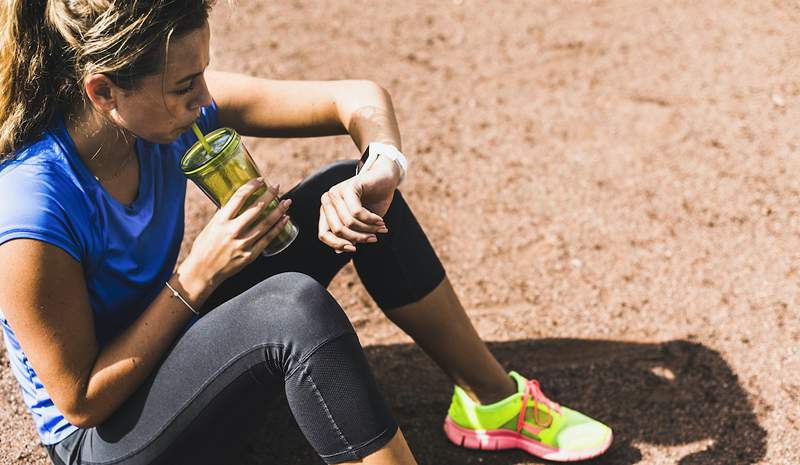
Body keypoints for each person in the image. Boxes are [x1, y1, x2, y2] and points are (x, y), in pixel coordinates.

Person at [0, 1, 613, 464]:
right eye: (187, 87)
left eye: (203, 75)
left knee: (359, 188)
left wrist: (381, 171)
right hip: (106, 439)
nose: (205, 98)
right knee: (289, 310)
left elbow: (357, 99)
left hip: (171, 346)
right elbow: (80, 401)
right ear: (103, 91)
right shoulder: (32, 206)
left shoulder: (160, 113)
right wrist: (198, 275)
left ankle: (492, 402)